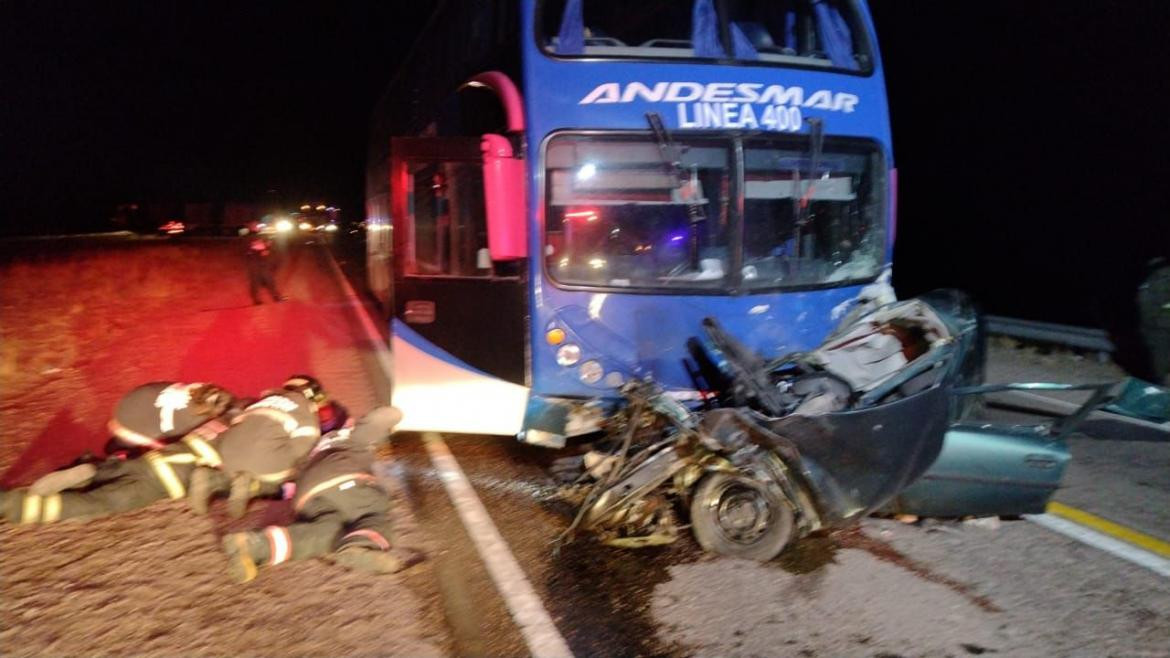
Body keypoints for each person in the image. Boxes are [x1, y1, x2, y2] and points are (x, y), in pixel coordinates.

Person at [220, 406, 424, 583]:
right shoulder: (352, 438)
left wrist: (260, 488)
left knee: (327, 533)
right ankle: (362, 545)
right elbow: (383, 417)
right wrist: (398, 414)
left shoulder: (312, 450)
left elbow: (287, 485)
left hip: (307, 495)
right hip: (345, 479)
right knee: (377, 511)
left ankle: (253, 546)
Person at [0, 416, 232, 524]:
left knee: (104, 475)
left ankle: (87, 473)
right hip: (160, 483)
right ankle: (16, 505)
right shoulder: (250, 448)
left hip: (149, 461)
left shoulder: (218, 423)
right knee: (99, 503)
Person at [188, 375, 325, 518]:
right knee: (293, 472)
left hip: (227, 455)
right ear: (310, 394)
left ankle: (212, 478)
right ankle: (254, 486)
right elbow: (303, 447)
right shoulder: (304, 407)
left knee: (238, 472)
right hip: (262, 462)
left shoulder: (264, 401)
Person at [106, 381, 236, 455]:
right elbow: (169, 436)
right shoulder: (188, 419)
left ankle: (119, 445)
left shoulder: (195, 388)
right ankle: (123, 450)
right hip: (130, 427)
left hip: (127, 405)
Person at [244, 228, 285, 304]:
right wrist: (257, 249)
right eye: (253, 225)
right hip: (254, 264)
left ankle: (276, 297)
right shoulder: (248, 237)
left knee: (270, 281)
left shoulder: (262, 236)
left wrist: (267, 248)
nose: (255, 226)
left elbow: (268, 247)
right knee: (255, 282)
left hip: (264, 264)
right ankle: (256, 300)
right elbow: (246, 250)